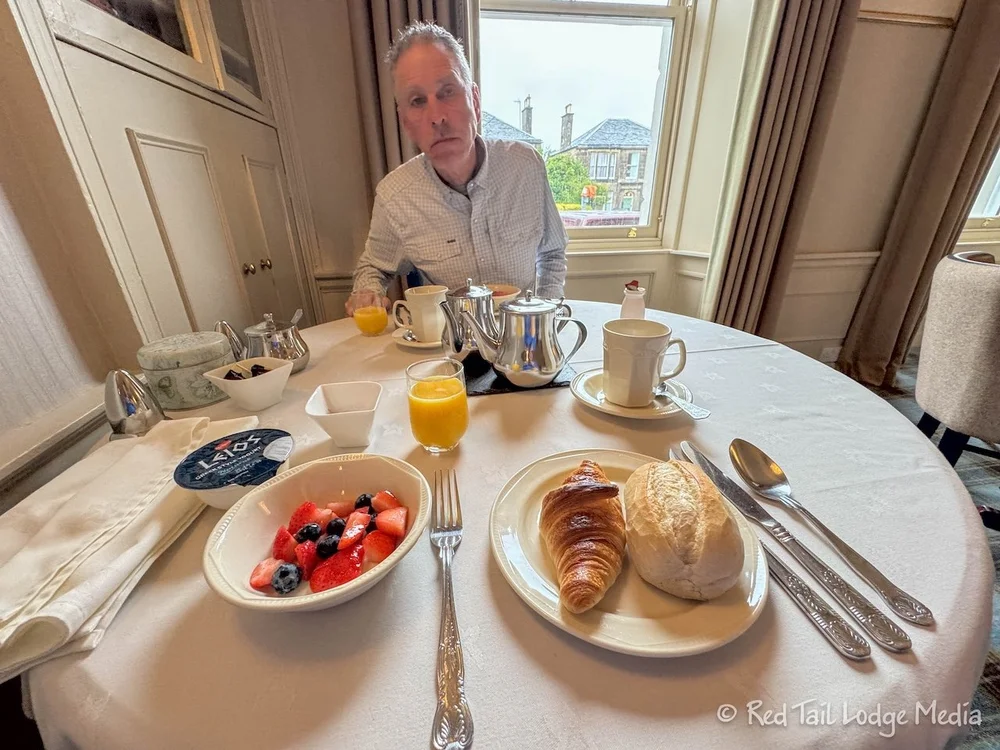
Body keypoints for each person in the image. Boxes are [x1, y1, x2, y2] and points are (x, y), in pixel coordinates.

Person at [346, 22, 568, 316]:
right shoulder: (394, 196)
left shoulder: (526, 166)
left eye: (447, 92)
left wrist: (545, 317)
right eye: (417, 101)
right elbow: (373, 267)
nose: (437, 117)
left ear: (474, 101)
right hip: (449, 339)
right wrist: (367, 292)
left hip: (525, 336)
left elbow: (552, 253)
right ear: (405, 122)